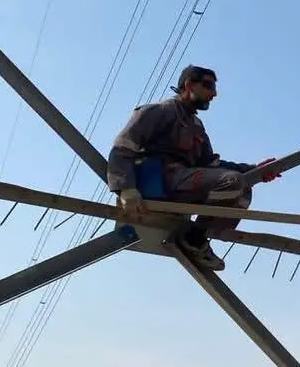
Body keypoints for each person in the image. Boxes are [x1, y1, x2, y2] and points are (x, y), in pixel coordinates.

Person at [106, 65, 280, 271]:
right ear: (188, 84)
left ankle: (198, 237)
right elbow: (122, 148)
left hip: (183, 181)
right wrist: (126, 189)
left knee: (243, 188)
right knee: (234, 182)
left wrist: (253, 171)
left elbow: (211, 165)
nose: (213, 93)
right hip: (160, 181)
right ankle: (193, 239)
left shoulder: (195, 125)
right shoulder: (159, 111)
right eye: (208, 86)